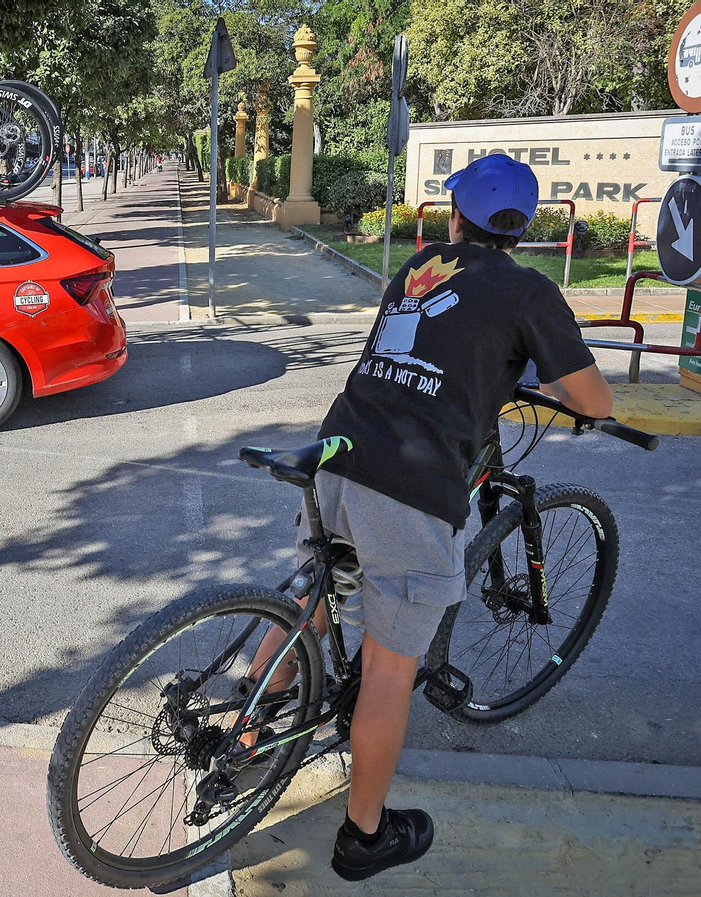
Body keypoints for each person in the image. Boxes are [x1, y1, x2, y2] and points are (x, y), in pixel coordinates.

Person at [243, 153, 612, 882]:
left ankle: (245, 733)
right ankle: (365, 836)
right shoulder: (529, 290)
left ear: (456, 217)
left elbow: (435, 347)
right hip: (411, 486)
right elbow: (596, 399)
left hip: (340, 452)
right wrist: (547, 380)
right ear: (523, 227)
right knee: (388, 666)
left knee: (311, 605)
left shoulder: (418, 266)